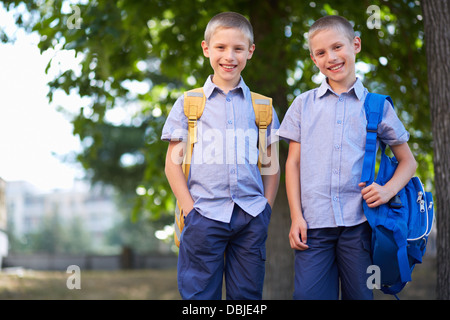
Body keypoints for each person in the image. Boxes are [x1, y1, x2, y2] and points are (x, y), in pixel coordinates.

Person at [277, 15, 417, 300]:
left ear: (355, 44)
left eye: (337, 47)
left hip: (361, 228)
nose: (331, 57)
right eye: (320, 52)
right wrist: (295, 217)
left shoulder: (376, 106)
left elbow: (409, 161)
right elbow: (292, 163)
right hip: (313, 228)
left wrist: (388, 190)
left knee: (362, 296)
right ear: (314, 59)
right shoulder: (303, 105)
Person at [162, 12, 280, 300]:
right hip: (203, 215)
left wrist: (265, 209)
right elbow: (172, 165)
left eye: (238, 48)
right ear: (206, 49)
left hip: (251, 217)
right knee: (200, 298)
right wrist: (190, 210)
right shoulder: (189, 104)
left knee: (247, 299)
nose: (230, 56)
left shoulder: (262, 107)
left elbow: (271, 166)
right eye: (221, 47)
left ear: (250, 51)